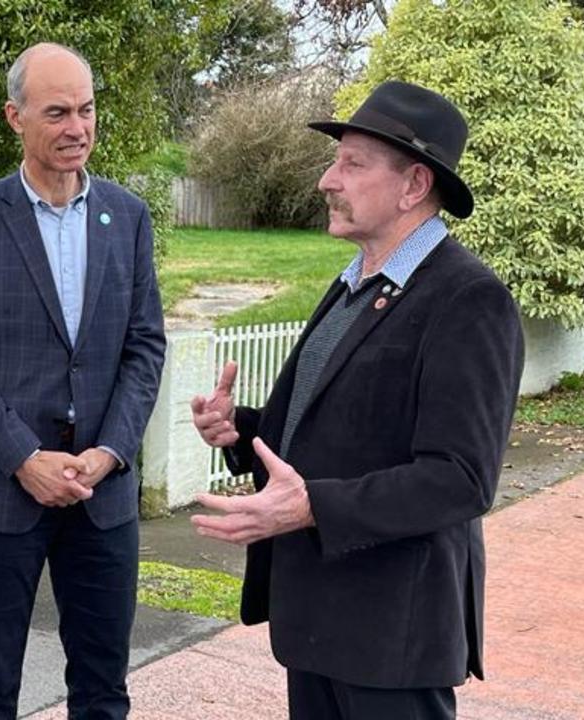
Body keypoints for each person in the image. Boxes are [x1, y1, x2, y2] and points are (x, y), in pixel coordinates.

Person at [190, 80, 524, 719]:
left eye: (352, 164)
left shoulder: (467, 299)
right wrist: (242, 430)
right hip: (317, 620)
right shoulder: (355, 285)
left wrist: (311, 504)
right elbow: (335, 427)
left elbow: (460, 478)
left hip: (392, 636)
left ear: (413, 186)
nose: (326, 180)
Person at [0, 42, 166, 720]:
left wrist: (110, 452)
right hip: (3, 495)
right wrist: (24, 459)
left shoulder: (129, 218)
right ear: (15, 117)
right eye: (57, 113)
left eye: (86, 110)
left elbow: (145, 347)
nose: (77, 129)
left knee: (102, 691)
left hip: (103, 495)